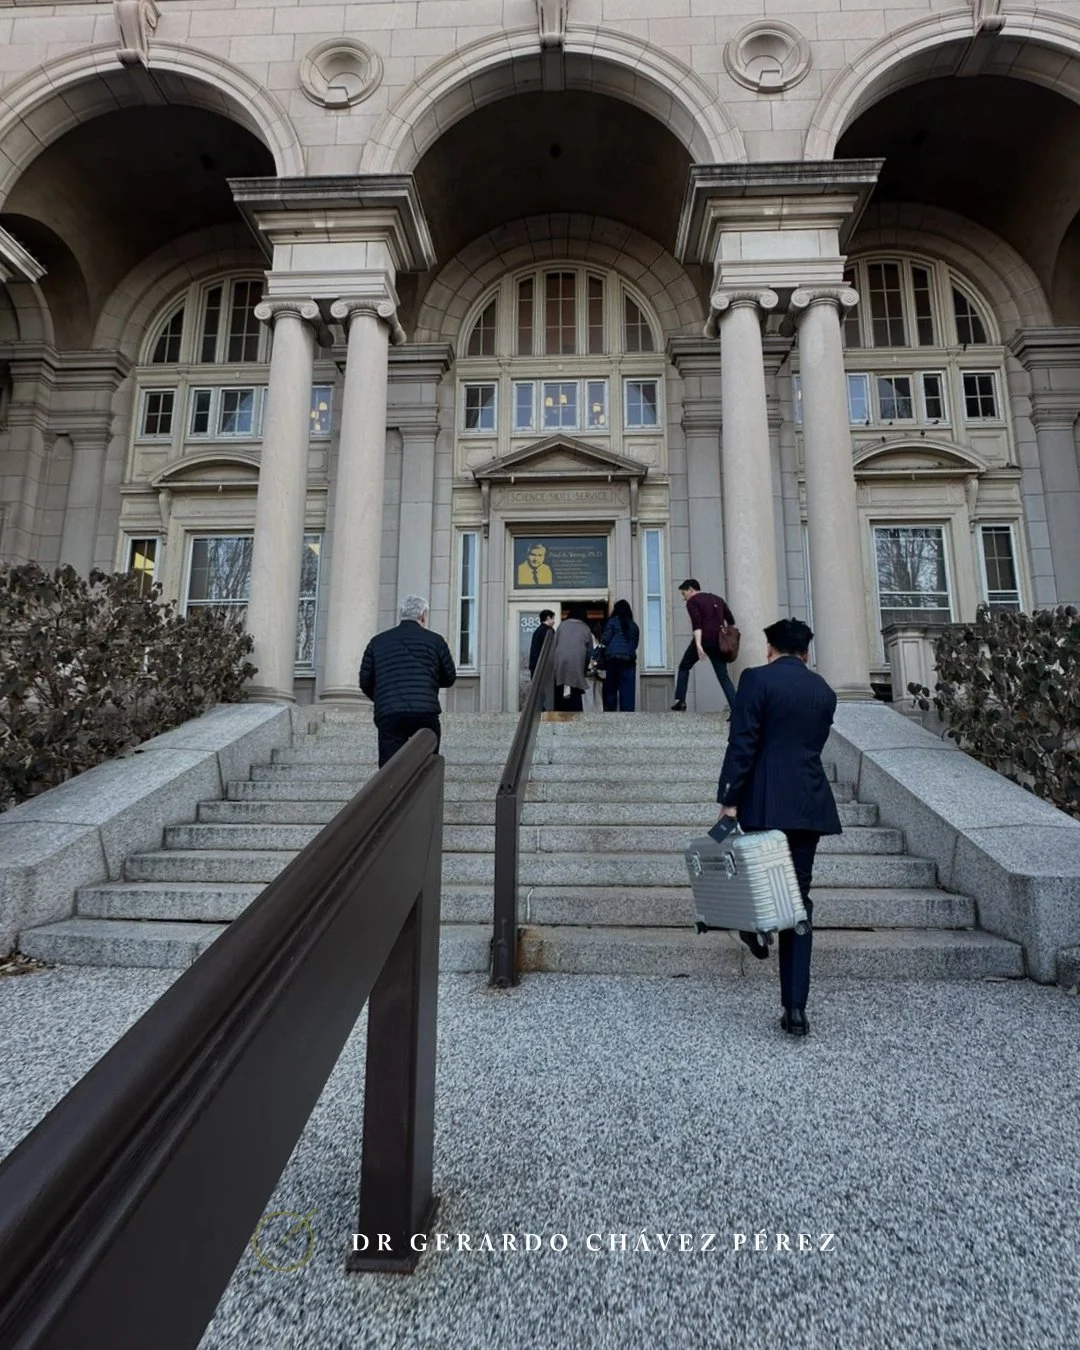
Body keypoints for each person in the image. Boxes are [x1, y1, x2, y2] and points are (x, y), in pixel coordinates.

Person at [714, 618, 842, 1038]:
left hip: (765, 801)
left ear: (770, 648)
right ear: (806, 652)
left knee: (756, 885)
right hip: (808, 802)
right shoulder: (823, 691)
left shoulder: (756, 680)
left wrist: (729, 798)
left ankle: (755, 934)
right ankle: (795, 1008)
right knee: (798, 902)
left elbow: (743, 740)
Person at [358, 594, 457, 767]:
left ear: (401, 615)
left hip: (389, 712)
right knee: (427, 763)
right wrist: (428, 684)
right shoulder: (435, 641)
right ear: (423, 616)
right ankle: (424, 791)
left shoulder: (377, 642)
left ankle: (391, 793)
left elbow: (365, 680)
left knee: (390, 768)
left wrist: (382, 697)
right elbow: (449, 677)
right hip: (425, 710)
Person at [671, 579, 736, 712]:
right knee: (723, 676)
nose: (684, 598)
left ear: (690, 589)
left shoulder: (693, 601)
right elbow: (731, 621)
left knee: (684, 666)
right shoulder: (718, 599)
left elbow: (697, 624)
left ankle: (681, 701)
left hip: (704, 639)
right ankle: (736, 707)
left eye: (684, 594)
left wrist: (699, 645)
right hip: (718, 641)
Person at [599, 599, 640, 712]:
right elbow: (635, 644)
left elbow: (605, 640)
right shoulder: (634, 626)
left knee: (611, 687)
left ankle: (611, 711)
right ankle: (627, 716)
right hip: (629, 660)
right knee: (627, 690)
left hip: (612, 659)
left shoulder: (612, 622)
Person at [551, 604, 593, 712]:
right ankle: (576, 713)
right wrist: (585, 667)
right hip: (577, 660)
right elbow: (589, 651)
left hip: (560, 659)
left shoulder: (562, 625)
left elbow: (554, 645)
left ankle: (559, 710)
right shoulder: (585, 628)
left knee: (560, 686)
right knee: (576, 688)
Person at [528, 609, 556, 676]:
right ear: (548, 618)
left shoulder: (538, 631)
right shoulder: (549, 631)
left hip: (536, 666)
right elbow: (552, 648)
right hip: (543, 667)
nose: (554, 621)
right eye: (553, 619)